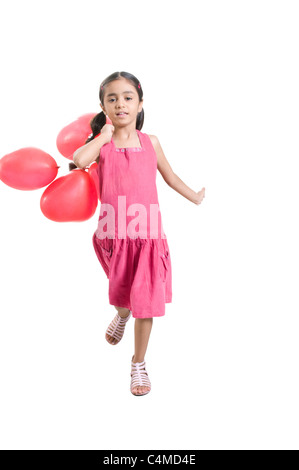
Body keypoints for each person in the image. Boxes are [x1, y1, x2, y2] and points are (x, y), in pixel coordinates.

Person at [71, 71, 205, 396]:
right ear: (103, 107)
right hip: (112, 235)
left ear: (140, 103)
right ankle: (121, 316)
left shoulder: (150, 142)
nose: (121, 104)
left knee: (146, 303)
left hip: (147, 235)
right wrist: (102, 137)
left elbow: (170, 177)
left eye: (128, 97)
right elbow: (78, 160)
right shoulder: (101, 146)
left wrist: (196, 196)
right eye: (112, 98)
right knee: (122, 298)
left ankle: (138, 363)